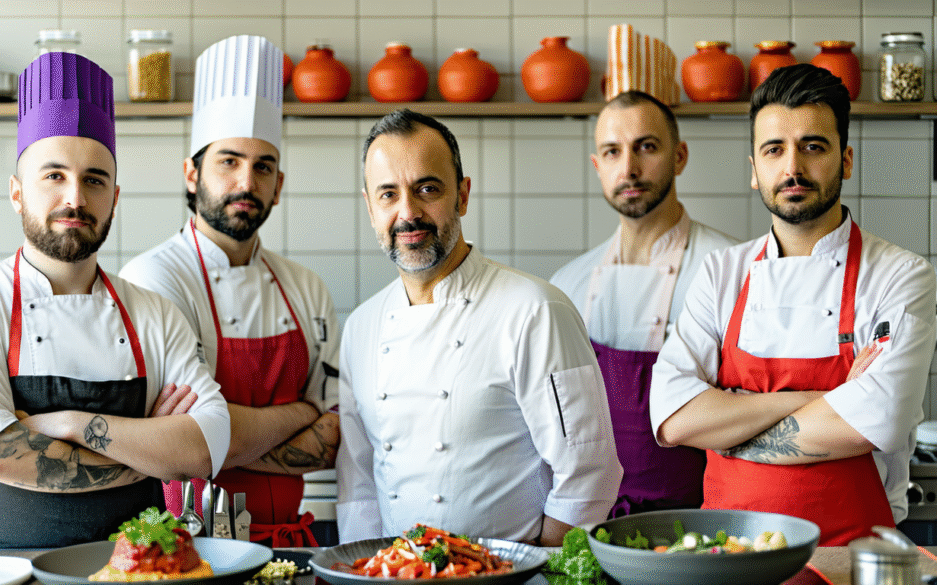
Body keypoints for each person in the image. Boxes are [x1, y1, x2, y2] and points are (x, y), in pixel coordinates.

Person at [0, 52, 230, 549]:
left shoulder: (154, 314)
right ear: (16, 193)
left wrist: (65, 425)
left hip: (139, 575)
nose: (76, 197)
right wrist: (146, 446)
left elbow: (204, 448)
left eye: (94, 179)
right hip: (9, 577)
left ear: (115, 196)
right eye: (53, 176)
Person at [649, 63, 937, 546]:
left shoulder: (900, 276)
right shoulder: (722, 273)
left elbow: (874, 422)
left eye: (813, 146)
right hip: (726, 555)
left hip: (851, 556)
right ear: (755, 172)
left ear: (845, 161)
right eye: (774, 150)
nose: (792, 168)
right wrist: (819, 400)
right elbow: (674, 418)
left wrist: (729, 422)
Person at [336, 109, 622, 546]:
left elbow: (588, 469)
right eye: (388, 195)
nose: (408, 213)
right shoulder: (361, 328)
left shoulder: (536, 311)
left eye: (427, 189)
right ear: (370, 208)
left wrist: (535, 574)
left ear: (463, 196)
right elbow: (358, 481)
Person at [120, 35, 338, 547]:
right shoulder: (151, 280)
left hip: (289, 546)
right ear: (192, 176)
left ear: (279, 186)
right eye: (229, 161)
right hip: (183, 551)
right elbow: (177, 446)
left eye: (263, 166)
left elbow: (333, 438)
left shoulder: (306, 288)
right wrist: (302, 414)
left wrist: (215, 439)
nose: (247, 180)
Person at [550, 90, 737, 517]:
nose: (629, 169)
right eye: (613, 152)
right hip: (590, 522)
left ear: (680, 157)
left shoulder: (729, 271)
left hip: (701, 523)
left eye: (646, 147)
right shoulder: (566, 285)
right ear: (598, 166)